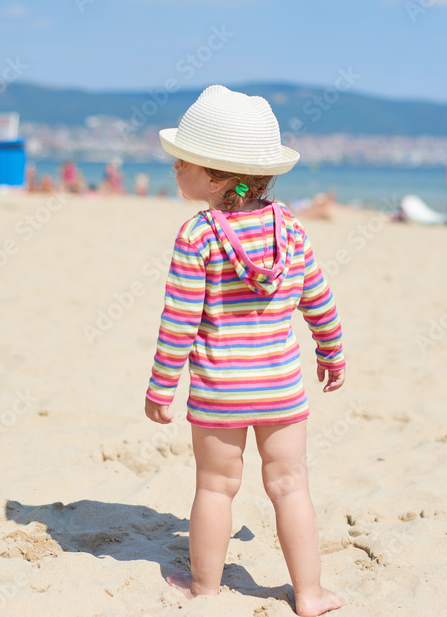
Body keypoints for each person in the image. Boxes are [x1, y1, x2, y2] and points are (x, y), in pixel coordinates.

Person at [144, 86, 346, 617]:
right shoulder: (290, 229)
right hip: (280, 387)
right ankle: (309, 593)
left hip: (219, 389)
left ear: (215, 174)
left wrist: (161, 385)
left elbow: (180, 320)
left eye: (181, 162)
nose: (174, 170)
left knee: (214, 488)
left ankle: (205, 589)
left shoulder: (197, 236)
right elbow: (317, 298)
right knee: (290, 485)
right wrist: (331, 350)